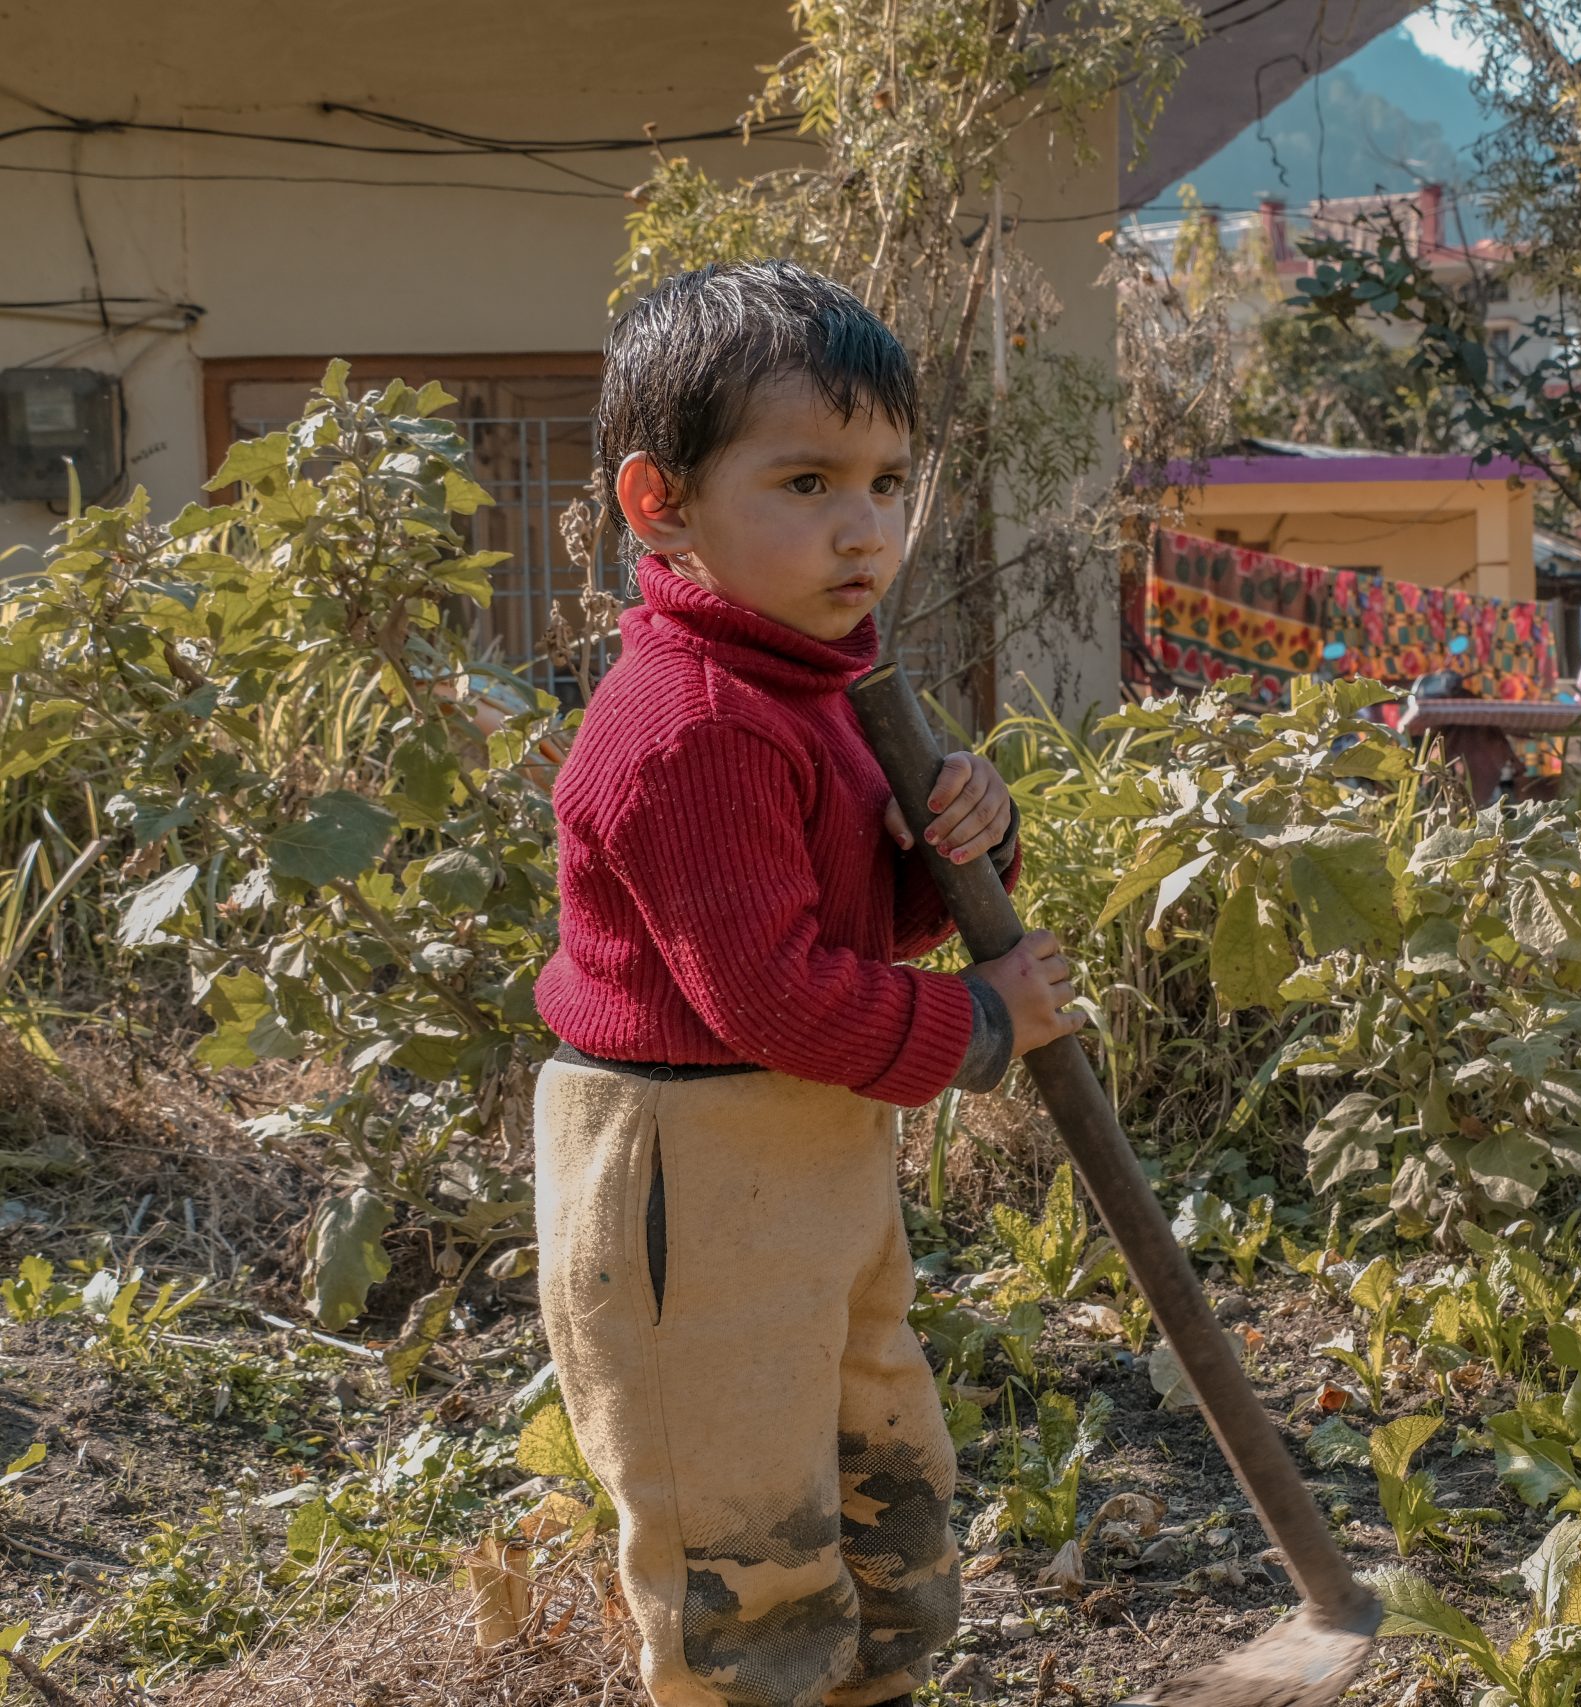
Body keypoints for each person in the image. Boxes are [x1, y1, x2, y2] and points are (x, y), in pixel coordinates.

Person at [531, 259, 1085, 1707]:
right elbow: (769, 992)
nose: (867, 528)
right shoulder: (686, 724)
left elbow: (852, 925)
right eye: (806, 482)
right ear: (662, 504)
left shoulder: (814, 684)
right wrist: (981, 1020)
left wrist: (959, 839)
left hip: (814, 1145)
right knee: (743, 1535)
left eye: (891, 482)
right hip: (690, 1171)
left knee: (877, 1471)